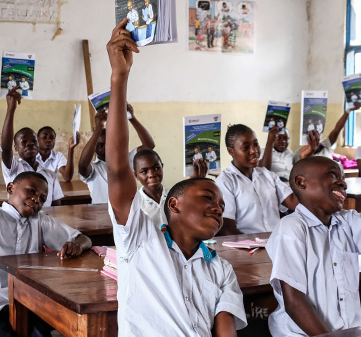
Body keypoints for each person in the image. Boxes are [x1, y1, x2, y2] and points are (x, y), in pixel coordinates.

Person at [105, 20, 247, 335]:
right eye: (208, 198)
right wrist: (119, 77)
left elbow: (225, 330)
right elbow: (116, 168)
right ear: (175, 204)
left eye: (221, 204)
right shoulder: (140, 240)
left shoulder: (220, 269)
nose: (218, 208)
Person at [266, 118, 361, 336]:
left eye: (342, 178)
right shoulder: (292, 228)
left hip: (346, 331)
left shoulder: (346, 221)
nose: (342, 182)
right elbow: (294, 302)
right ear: (301, 182)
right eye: (332, 175)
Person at [0, 162, 92, 336]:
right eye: (31, 191)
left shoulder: (39, 221)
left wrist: (77, 245)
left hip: (26, 303)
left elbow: (83, 239)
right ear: (11, 188)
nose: (36, 199)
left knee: (43, 332)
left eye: (42, 199)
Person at [215, 124, 298, 235]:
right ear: (231, 151)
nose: (254, 151)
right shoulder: (226, 181)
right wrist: (252, 245)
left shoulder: (267, 175)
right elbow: (227, 229)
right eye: (246, 147)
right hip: (247, 247)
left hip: (275, 242)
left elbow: (293, 201)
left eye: (256, 144)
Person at [78, 103, 155, 204]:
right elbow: (82, 166)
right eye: (100, 145)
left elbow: (149, 145)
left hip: (128, 212)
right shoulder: (94, 168)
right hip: (101, 213)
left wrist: (132, 118)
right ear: (94, 148)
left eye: (107, 144)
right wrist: (98, 129)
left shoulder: (127, 158)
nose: (104, 148)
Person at [1, 86, 63, 207]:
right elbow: (6, 149)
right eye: (24, 142)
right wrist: (10, 109)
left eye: (33, 141)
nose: (29, 144)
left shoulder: (49, 174)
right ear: (16, 147)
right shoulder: (13, 168)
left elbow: (57, 206)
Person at [133, 149, 208, 229]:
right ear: (136, 175)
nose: (152, 174)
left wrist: (195, 184)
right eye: (144, 171)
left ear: (162, 166)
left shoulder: (175, 196)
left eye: (156, 168)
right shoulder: (135, 204)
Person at [293, 102, 361, 164]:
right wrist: (306, 155)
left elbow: (337, 130)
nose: (314, 136)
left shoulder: (324, 146)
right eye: (311, 135)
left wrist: (348, 111)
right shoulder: (299, 154)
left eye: (317, 133)